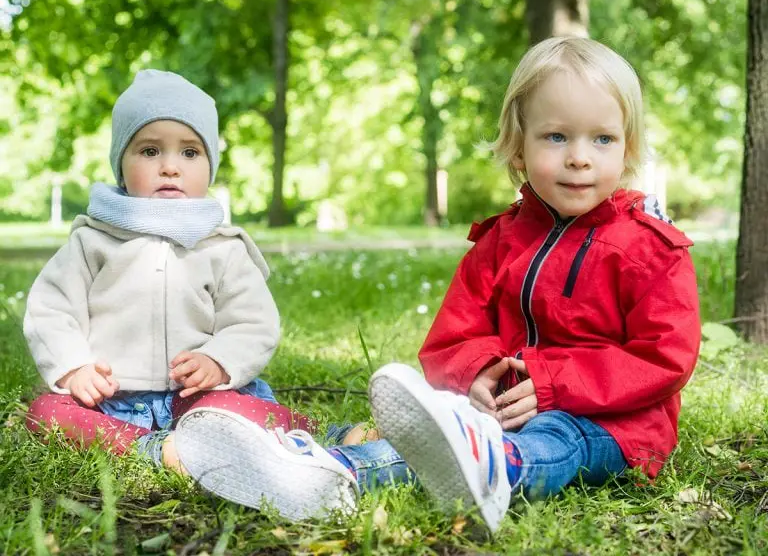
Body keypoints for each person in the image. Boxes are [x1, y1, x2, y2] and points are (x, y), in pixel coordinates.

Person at [168, 35, 701, 531]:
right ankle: (327, 467)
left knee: (553, 439)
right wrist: (480, 377)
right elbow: (451, 340)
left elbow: (665, 356)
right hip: (499, 412)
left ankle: (496, 469)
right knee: (437, 436)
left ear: (627, 149)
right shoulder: (501, 241)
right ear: (519, 147)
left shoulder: (649, 248)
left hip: (612, 426)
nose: (579, 156)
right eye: (556, 136)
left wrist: (554, 383)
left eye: (601, 138)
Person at [23, 70, 365, 520]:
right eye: (149, 150)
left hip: (196, 395)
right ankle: (151, 449)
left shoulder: (222, 246)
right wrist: (73, 367)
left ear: (210, 166)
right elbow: (51, 310)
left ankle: (321, 432)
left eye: (190, 151)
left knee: (233, 410)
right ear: (121, 166)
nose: (170, 165)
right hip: (110, 399)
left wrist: (219, 360)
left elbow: (252, 321)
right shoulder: (92, 241)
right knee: (45, 412)